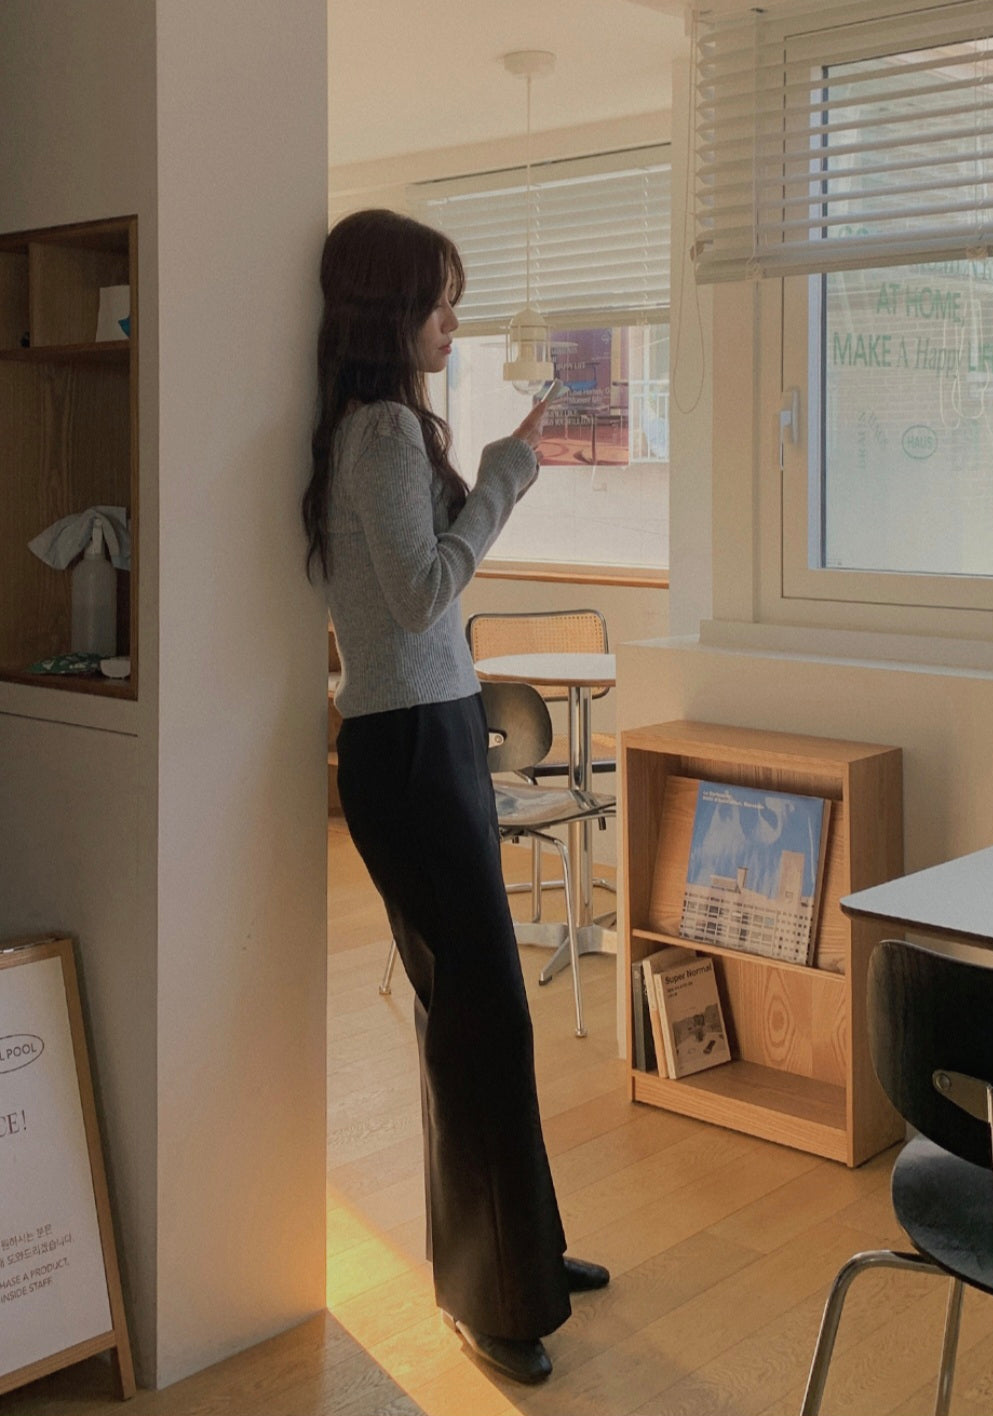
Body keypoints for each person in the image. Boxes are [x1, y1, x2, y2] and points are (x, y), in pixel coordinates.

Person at [302, 209, 609, 1386]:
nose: (452, 322)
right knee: (481, 1019)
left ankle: (520, 1253)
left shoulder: (377, 427)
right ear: (388, 310)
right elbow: (425, 593)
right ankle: (493, 1295)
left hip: (431, 736)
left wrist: (493, 471)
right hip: (410, 752)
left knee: (479, 1016)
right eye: (440, 302)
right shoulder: (381, 430)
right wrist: (505, 479)